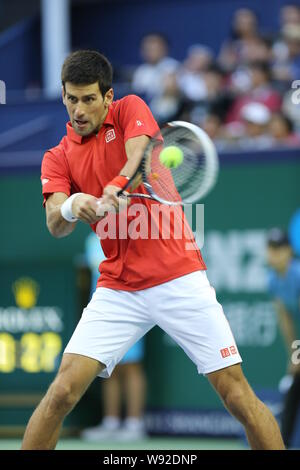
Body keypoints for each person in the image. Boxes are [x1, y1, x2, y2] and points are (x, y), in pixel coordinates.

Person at [21, 49, 284, 450]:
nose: (79, 109)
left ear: (107, 97)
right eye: (71, 99)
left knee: (237, 396)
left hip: (178, 275)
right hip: (118, 288)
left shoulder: (130, 109)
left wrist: (114, 186)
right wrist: (76, 205)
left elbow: (139, 154)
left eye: (89, 99)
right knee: (60, 394)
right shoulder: (57, 157)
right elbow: (55, 221)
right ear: (62, 96)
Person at [81, 232, 146, 441]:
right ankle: (111, 422)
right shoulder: (93, 239)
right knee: (107, 367)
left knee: (131, 366)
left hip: (133, 306)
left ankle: (135, 424)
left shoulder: (135, 235)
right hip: (105, 310)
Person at [266, 228, 300, 448]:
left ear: (289, 251)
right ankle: (283, 443)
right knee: (295, 387)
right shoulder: (273, 281)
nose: (274, 253)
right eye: (271, 249)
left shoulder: (297, 274)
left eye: (279, 248)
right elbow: (285, 321)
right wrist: (293, 356)